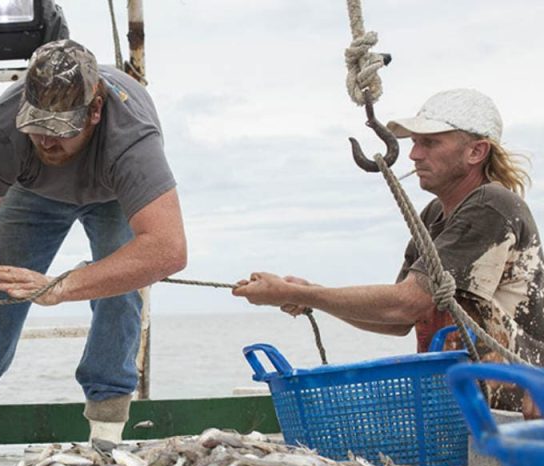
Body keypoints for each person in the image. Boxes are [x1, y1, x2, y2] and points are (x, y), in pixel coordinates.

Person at [0, 39, 186, 464]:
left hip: (112, 194)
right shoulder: (5, 128)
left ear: (94, 112)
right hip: (33, 193)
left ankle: (107, 429)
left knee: (119, 291)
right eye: (36, 126)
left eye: (60, 130)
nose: (46, 141)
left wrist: (64, 287)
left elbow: (168, 249)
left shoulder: (132, 140)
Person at [232, 88, 544, 419]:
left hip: (520, 407)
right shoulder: (433, 216)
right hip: (469, 406)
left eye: (431, 142)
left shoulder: (491, 205)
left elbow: (406, 302)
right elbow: (399, 321)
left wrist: (298, 292)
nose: (414, 155)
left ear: (476, 151)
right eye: (414, 142)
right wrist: (312, 296)